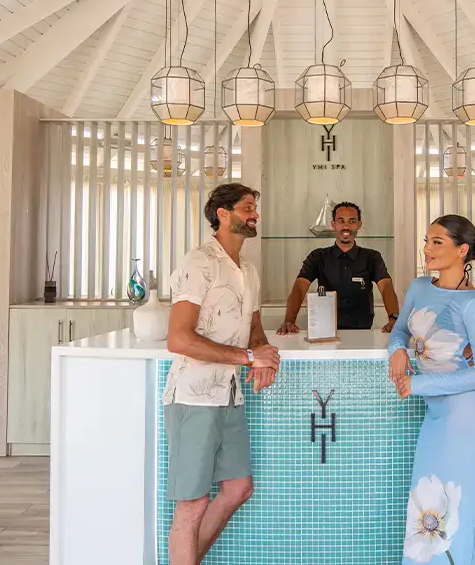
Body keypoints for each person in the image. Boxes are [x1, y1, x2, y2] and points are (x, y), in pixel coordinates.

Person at [163, 183, 281, 565]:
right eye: (247, 208)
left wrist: (265, 355)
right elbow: (178, 339)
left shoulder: (248, 270)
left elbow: (255, 327)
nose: (254, 215)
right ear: (222, 213)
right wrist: (249, 357)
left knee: (238, 489)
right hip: (193, 396)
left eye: (255, 209)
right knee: (192, 503)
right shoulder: (198, 262)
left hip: (229, 394)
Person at [386, 214, 475, 565]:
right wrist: (397, 351)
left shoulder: (472, 305)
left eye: (437, 242)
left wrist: (418, 383)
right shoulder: (420, 287)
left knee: (453, 512)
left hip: (464, 419)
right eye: (426, 240)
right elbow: (399, 330)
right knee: (429, 507)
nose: (427, 249)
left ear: (462, 250)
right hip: (436, 415)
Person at [277, 201, 402, 334]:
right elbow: (299, 288)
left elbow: (386, 287)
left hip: (362, 335)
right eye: (341, 221)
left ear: (359, 225)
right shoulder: (317, 257)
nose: (346, 226)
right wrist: (289, 321)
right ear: (333, 225)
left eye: (352, 221)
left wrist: (394, 318)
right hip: (324, 333)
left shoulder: (372, 257)